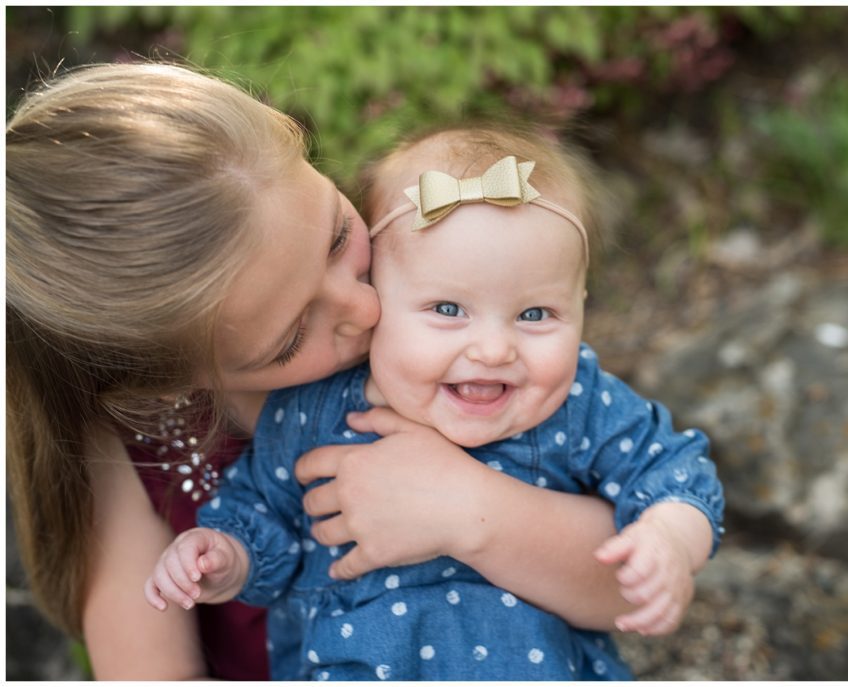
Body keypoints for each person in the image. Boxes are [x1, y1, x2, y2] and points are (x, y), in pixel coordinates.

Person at [6, 63, 658, 680]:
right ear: (169, 381)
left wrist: (472, 508)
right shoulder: (136, 458)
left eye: (340, 238)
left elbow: (631, 588)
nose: (366, 306)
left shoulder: (447, 301)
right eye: (292, 336)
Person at [145, 123, 725, 680]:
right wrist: (225, 554)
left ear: (581, 306)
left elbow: (673, 472)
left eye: (535, 314)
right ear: (378, 300)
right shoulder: (310, 413)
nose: (494, 349)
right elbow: (262, 516)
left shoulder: (577, 402)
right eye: (448, 310)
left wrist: (671, 535)